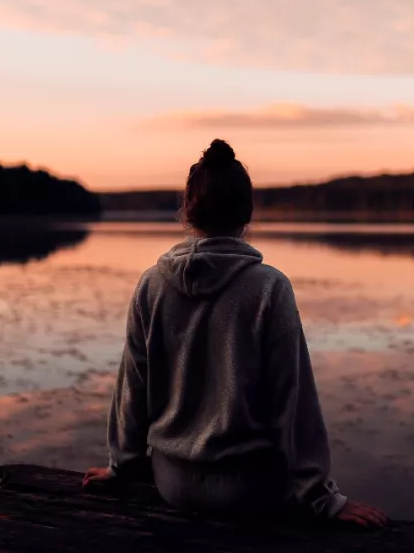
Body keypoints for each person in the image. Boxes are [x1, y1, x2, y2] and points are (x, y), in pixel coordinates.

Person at [83, 139, 387, 528]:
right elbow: (292, 401)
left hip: (172, 484)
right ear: (247, 212)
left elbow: (132, 390)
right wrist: (323, 498)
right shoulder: (269, 287)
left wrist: (120, 467)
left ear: (187, 209)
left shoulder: (151, 284)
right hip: (251, 489)